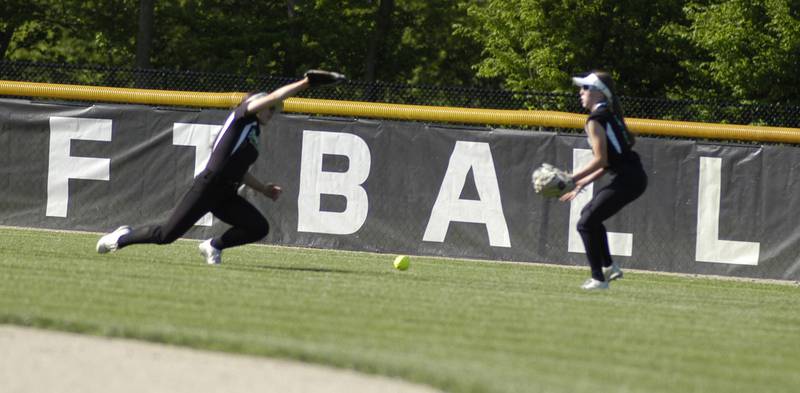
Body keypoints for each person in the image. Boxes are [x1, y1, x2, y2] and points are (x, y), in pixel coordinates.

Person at [96, 70, 345, 264]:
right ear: (256, 105)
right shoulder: (242, 116)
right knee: (166, 235)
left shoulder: (254, 133)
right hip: (209, 185)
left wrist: (262, 189)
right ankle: (121, 237)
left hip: (226, 192)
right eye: (270, 108)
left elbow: (238, 169)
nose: (273, 111)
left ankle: (213, 245)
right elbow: (273, 97)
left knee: (258, 227)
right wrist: (305, 84)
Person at [560, 71, 647, 290]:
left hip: (629, 179)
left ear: (600, 93)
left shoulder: (596, 120)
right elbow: (607, 163)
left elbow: (600, 159)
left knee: (585, 223)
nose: (581, 92)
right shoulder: (608, 114)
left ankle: (599, 278)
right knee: (589, 219)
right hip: (632, 177)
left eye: (586, 88)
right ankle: (608, 266)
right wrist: (580, 183)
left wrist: (570, 178)